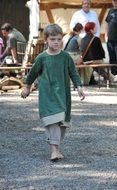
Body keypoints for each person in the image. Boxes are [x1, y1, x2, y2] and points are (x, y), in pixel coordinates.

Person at [21, 24, 85, 162]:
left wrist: (79, 87)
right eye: (53, 39)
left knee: (62, 123)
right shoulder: (41, 58)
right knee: (52, 121)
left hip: (63, 95)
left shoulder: (65, 57)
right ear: (46, 40)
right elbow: (32, 74)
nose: (56, 42)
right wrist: (27, 86)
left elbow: (73, 73)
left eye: (58, 39)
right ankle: (54, 151)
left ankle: (56, 148)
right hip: (47, 96)